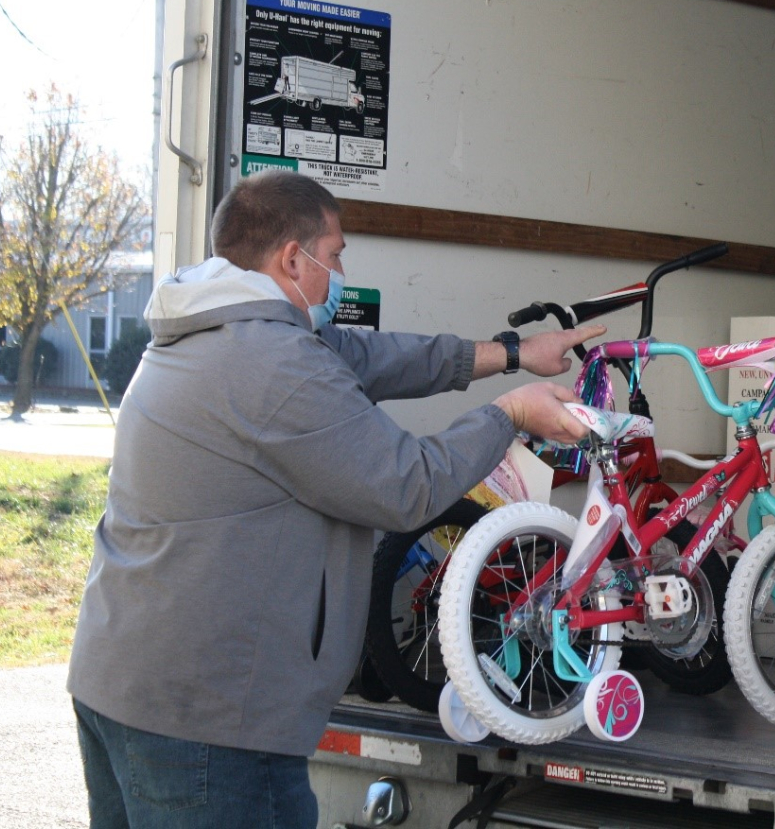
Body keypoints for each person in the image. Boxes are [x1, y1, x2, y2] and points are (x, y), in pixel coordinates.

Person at [67, 171, 604, 828]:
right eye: (337, 252)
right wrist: (510, 414)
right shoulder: (272, 364)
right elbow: (405, 484)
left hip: (125, 683)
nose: (342, 268)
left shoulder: (214, 328)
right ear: (294, 259)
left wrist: (514, 353)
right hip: (210, 721)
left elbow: (373, 356)